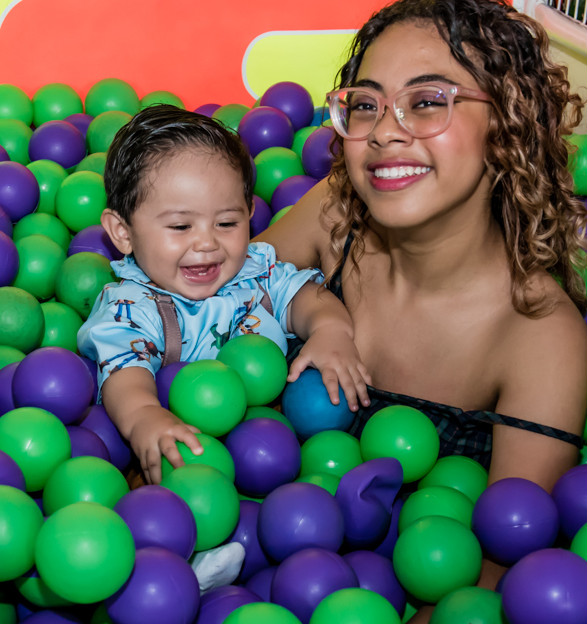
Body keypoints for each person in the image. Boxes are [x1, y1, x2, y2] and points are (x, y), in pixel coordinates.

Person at [207, 0, 587, 624]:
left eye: (427, 102)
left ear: (507, 125)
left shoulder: (537, 332)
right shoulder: (336, 219)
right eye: (366, 105)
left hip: (395, 615)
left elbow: (501, 567)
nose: (386, 131)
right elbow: (208, 312)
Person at [78, 106, 370, 486]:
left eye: (227, 223)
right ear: (123, 232)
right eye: (180, 226)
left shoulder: (254, 272)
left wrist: (330, 331)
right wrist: (145, 416)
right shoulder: (132, 307)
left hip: (275, 440)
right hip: (189, 450)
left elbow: (306, 296)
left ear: (249, 214)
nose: (206, 243)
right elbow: (124, 372)